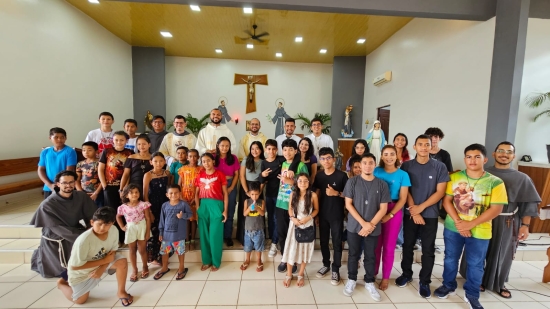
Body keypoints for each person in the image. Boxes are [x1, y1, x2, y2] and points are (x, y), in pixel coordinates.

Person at [458, 141, 540, 299]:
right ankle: (476, 280)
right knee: (477, 250)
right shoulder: (481, 173)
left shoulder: (522, 178)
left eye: (509, 152)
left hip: (507, 221)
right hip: (481, 219)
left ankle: (499, 282)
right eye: (500, 151)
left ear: (513, 156)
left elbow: (528, 203)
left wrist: (525, 225)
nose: (504, 154)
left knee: (503, 252)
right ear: (493, 154)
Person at [434, 144, 507, 309]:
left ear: (485, 159)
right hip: (454, 228)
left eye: (477, 157)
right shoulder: (454, 178)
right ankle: (448, 285)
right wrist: (460, 223)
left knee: (475, 263)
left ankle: (472, 294)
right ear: (464, 158)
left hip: (480, 230)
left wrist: (470, 224)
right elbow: (447, 201)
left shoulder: (495, 182)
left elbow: (496, 208)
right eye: (469, 157)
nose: (472, 160)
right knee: (450, 258)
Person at [395, 135, 449, 299]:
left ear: (431, 146)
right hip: (410, 213)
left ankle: (425, 281)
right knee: (407, 245)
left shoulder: (439, 167)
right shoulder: (406, 166)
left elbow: (440, 192)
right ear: (414, 147)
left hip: (430, 215)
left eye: (427, 144)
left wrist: (421, 208)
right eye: (421, 144)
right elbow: (405, 190)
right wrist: (414, 210)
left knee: (428, 249)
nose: (424, 147)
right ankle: (406, 273)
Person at [56, 207, 133, 306]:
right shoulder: (83, 241)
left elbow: (112, 251)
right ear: (92, 222)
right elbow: (75, 266)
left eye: (107, 225)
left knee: (122, 262)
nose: (102, 228)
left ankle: (121, 292)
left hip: (101, 261)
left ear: (113, 223)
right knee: (81, 300)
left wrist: (102, 268)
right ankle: (61, 283)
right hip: (82, 271)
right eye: (99, 224)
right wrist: (104, 261)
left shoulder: (113, 230)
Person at [30, 170, 97, 278]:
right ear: (58, 184)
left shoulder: (80, 196)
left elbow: (92, 216)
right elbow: (57, 228)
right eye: (64, 183)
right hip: (57, 235)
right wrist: (83, 237)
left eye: (71, 182)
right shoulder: (48, 204)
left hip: (74, 229)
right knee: (65, 272)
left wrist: (94, 230)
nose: (68, 185)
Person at [342, 153, 390, 300]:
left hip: (373, 227)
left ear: (375, 165)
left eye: (371, 163)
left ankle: (369, 281)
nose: (367, 166)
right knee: (353, 254)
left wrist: (370, 225)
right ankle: (351, 279)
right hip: (354, 226)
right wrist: (364, 224)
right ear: (360, 165)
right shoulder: (352, 182)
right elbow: (348, 204)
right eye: (365, 163)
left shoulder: (382, 184)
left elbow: (383, 209)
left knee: (371, 255)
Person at [373, 145, 411, 291]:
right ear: (382, 156)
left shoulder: (403, 175)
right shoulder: (376, 171)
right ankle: (373, 273)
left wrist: (390, 215)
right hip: (376, 209)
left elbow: (403, 199)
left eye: (392, 154)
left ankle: (386, 277)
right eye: (386, 154)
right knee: (376, 245)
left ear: (397, 156)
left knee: (388, 247)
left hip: (393, 210)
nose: (389, 157)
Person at [313, 147, 348, 285]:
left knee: (337, 242)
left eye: (328, 158)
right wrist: (315, 214)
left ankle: (336, 268)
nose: (326, 161)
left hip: (337, 215)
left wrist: (337, 193)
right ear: (320, 161)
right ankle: (326, 264)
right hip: (322, 214)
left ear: (333, 159)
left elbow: (349, 195)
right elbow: (316, 194)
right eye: (323, 158)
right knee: (323, 241)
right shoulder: (319, 176)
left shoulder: (341, 176)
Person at [259, 139, 300, 258]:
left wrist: (292, 168)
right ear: (265, 150)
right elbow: (262, 180)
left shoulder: (281, 160)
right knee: (271, 219)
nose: (271, 151)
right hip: (270, 194)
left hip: (282, 195)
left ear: (277, 150)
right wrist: (262, 175)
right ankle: (274, 240)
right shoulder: (264, 162)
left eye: (273, 149)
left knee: (278, 220)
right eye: (268, 149)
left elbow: (296, 158)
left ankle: (275, 242)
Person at [276, 139, 309, 274]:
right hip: (281, 203)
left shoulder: (301, 165)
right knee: (282, 233)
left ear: (296, 151)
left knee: (295, 235)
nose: (287, 152)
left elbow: (305, 185)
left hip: (295, 206)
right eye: (285, 149)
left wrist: (291, 182)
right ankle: (285, 259)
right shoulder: (282, 164)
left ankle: (294, 260)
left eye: (290, 149)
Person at [281, 173, 319, 288]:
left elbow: (316, 209)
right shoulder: (293, 194)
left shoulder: (313, 195)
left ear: (309, 182)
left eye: (305, 181)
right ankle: (289, 274)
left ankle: (301, 274)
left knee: (304, 251)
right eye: (300, 181)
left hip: (308, 225)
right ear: (296, 183)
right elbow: (290, 209)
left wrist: (309, 217)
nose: (303, 183)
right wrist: (293, 219)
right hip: (295, 225)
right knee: (291, 248)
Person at [98, 131, 133, 244]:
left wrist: (124, 189)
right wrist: (104, 186)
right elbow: (101, 169)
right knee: (111, 212)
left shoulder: (130, 153)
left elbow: (129, 173)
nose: (119, 142)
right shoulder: (107, 151)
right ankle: (114, 239)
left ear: (126, 141)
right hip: (110, 187)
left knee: (124, 211)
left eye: (122, 140)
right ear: (113, 140)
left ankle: (124, 237)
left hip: (124, 188)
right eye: (116, 140)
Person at [195, 153, 228, 272]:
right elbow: (196, 193)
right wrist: (198, 208)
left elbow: (225, 194)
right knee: (204, 236)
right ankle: (206, 261)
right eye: (203, 161)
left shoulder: (220, 174)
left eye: (208, 160)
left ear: (213, 161)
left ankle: (216, 261)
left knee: (215, 235)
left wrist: (225, 210)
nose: (206, 163)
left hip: (216, 206)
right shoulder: (200, 175)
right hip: (203, 206)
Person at [155, 185, 193, 280]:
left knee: (180, 252)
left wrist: (183, 215)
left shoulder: (183, 204)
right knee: (164, 252)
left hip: (179, 235)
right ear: (167, 195)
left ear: (180, 193)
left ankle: (181, 268)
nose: (173, 195)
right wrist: (161, 232)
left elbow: (190, 215)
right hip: (166, 235)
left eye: (176, 193)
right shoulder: (164, 205)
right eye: (171, 193)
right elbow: (162, 220)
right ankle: (164, 267)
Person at [116, 183, 151, 282]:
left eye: (136, 192)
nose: (134, 194)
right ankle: (134, 269)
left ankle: (145, 267)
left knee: (142, 249)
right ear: (126, 195)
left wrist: (147, 232)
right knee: (132, 250)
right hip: (130, 229)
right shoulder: (123, 207)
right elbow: (118, 216)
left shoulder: (144, 205)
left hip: (142, 228)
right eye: (131, 193)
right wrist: (122, 227)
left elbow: (148, 219)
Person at [143, 152, 172, 264]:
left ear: (164, 162)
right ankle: (154, 257)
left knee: (165, 230)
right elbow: (145, 194)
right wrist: (149, 211)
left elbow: (169, 191)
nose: (158, 163)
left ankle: (164, 256)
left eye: (161, 161)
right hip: (153, 206)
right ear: (151, 162)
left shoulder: (167, 173)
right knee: (155, 231)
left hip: (165, 205)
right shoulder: (148, 175)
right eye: (155, 161)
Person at [213, 137, 240, 247]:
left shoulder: (233, 158)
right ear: (218, 146)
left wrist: (231, 187)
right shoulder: (213, 158)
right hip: (216, 186)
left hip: (230, 184)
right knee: (218, 211)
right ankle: (218, 236)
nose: (224, 148)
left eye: (227, 146)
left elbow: (237, 174)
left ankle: (228, 236)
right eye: (222, 145)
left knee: (229, 210)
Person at [238, 141, 265, 245]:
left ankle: (258, 238)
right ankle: (244, 238)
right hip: (246, 187)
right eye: (252, 149)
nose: (254, 151)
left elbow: (263, 179)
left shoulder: (263, 162)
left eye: (257, 148)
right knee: (245, 212)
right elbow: (241, 176)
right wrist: (247, 191)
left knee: (258, 212)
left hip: (258, 187)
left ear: (261, 150)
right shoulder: (245, 160)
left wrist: (260, 190)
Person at [38, 127, 77, 199]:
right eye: (56, 137)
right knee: (48, 208)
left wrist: (59, 185)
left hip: (64, 186)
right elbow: (41, 170)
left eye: (62, 137)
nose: (59, 139)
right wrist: (49, 184)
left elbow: (69, 171)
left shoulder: (70, 151)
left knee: (64, 208)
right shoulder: (45, 152)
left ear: (66, 138)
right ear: (50, 138)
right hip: (48, 186)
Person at [178, 149, 201, 250]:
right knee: (186, 219)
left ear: (198, 157)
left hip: (196, 197)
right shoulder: (183, 169)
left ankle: (192, 240)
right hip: (184, 198)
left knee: (194, 219)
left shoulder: (201, 169)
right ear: (187, 157)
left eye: (195, 156)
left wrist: (196, 198)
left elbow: (202, 184)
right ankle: (186, 240)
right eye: (190, 156)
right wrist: (181, 198)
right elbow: (179, 184)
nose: (193, 158)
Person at [240, 181, 266, 272]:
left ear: (259, 193)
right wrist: (250, 208)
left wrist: (257, 208)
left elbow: (262, 214)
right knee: (248, 246)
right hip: (248, 230)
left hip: (259, 229)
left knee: (259, 247)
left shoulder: (262, 202)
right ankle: (247, 260)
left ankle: (259, 260)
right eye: (252, 194)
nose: (254, 196)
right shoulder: (246, 201)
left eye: (256, 194)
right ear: (249, 194)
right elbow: (244, 214)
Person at [76, 141, 103, 207]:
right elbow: (77, 179)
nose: (86, 152)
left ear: (96, 151)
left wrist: (96, 193)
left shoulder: (100, 163)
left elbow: (103, 180)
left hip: (98, 193)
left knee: (97, 211)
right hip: (83, 193)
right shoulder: (80, 164)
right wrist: (81, 192)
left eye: (89, 150)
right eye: (84, 150)